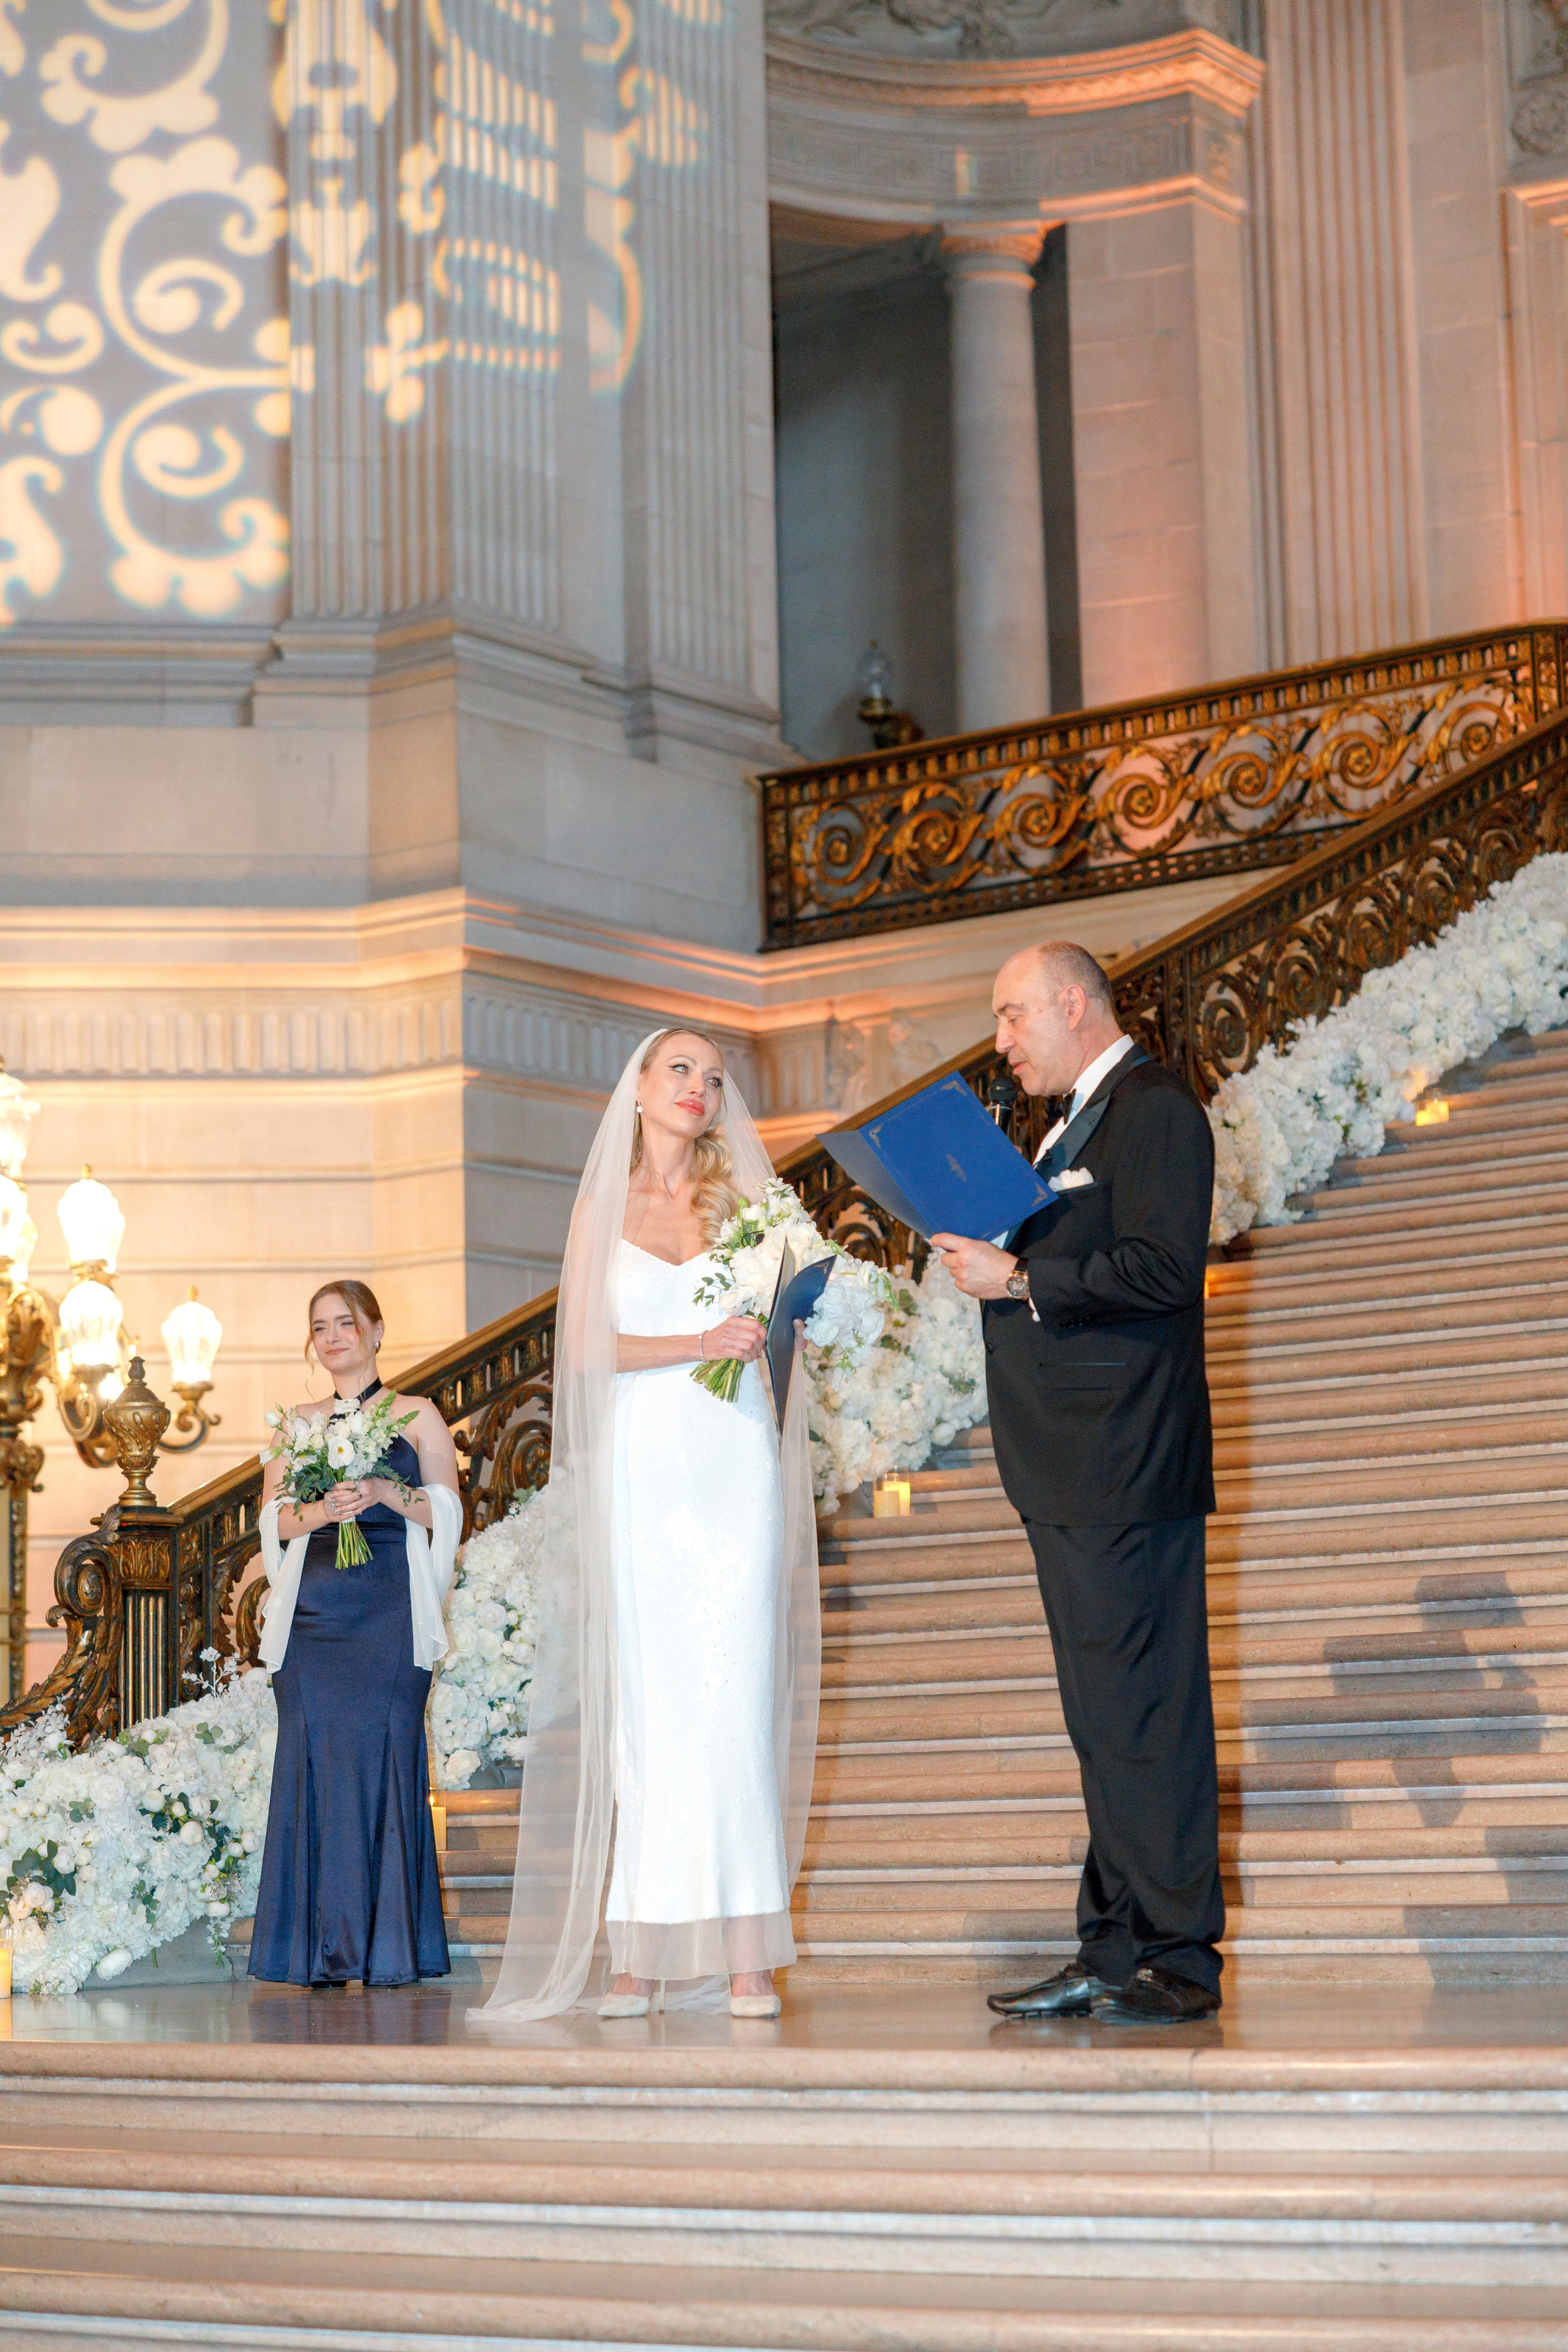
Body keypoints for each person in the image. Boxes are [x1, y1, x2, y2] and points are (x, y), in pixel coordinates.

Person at [481, 1029, 821, 2024]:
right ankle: (636, 1956)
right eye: (681, 1069)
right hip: (647, 1469)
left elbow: (788, 1319)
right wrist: (696, 1339)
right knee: (649, 1710)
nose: (699, 1087)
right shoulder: (602, 1206)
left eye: (713, 1077)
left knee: (734, 1703)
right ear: (638, 1086)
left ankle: (750, 1957)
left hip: (733, 1461)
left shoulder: (748, 1204)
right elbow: (587, 1347)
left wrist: (804, 1321)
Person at [932, 943, 1224, 2025]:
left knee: (1149, 1717)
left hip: (1127, 1460)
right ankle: (1112, 1946)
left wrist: (1016, 1275)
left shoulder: (1155, 1111)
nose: (1001, 1041)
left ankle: (1179, 1958)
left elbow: (1165, 1269)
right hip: (1072, 1463)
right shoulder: (1066, 1129)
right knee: (1107, 1723)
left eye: (1013, 1015)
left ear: (1072, 1003)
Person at [250, 1280, 462, 1989]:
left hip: (390, 1609)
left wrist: (383, 1493)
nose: (334, 1337)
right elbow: (274, 1517)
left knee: (388, 1756)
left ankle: (390, 1947)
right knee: (313, 1761)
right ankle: (315, 1949)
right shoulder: (296, 1423)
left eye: (346, 1322)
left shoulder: (418, 1414)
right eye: (320, 1327)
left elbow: (448, 1512)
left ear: (376, 1330)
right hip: (315, 1614)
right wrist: (322, 1510)